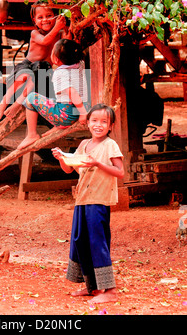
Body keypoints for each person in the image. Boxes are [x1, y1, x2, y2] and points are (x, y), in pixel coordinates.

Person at [52, 103, 124, 304]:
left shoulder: (110, 145)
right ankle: (92, 286)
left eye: (104, 122)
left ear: (110, 126)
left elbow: (120, 172)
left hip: (99, 201)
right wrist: (61, 158)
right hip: (82, 200)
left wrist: (98, 164)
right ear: (88, 123)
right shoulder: (84, 145)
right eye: (94, 121)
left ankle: (110, 290)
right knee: (80, 241)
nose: (98, 125)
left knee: (97, 242)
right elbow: (69, 169)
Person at [0, 1, 69, 119]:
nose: (45, 20)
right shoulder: (35, 33)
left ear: (56, 16)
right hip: (28, 65)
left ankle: (17, 104)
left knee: (34, 81)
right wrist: (57, 27)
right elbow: (45, 41)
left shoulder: (59, 33)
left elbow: (67, 43)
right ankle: (4, 101)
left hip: (44, 69)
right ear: (34, 21)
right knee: (26, 76)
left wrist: (65, 28)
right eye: (40, 17)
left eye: (49, 16)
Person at [17, 38, 89, 149]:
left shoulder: (60, 73)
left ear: (55, 59)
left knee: (31, 97)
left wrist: (83, 113)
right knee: (56, 98)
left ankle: (32, 134)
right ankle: (59, 126)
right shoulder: (80, 64)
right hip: (80, 109)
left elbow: (72, 92)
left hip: (67, 115)